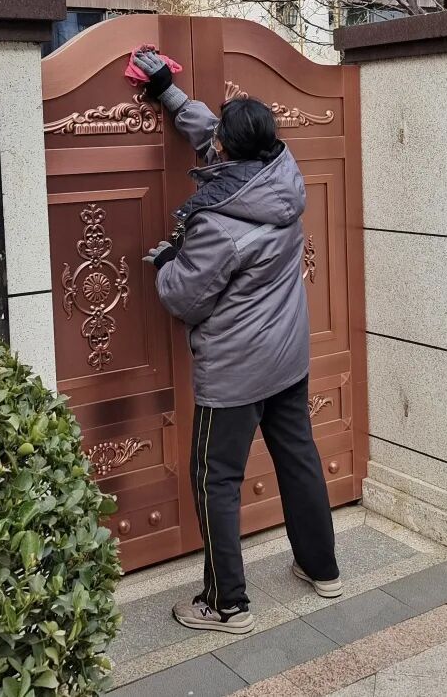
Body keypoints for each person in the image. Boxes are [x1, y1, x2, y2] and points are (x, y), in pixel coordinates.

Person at [132, 49, 342, 635]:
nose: (214, 142)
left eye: (220, 137)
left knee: (215, 478)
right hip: (287, 356)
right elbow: (212, 137)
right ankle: (322, 569)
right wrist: (169, 93)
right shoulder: (281, 173)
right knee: (298, 457)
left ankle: (227, 604)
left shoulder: (218, 224)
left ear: (228, 149)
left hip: (234, 371)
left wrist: (166, 261)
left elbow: (184, 297)